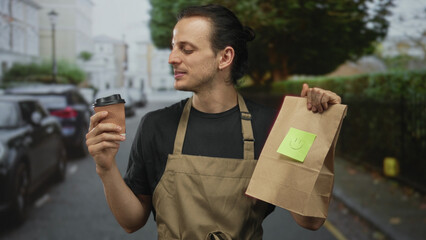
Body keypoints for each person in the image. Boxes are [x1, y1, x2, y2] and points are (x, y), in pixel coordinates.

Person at [86, 4, 341, 239]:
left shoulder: (269, 127)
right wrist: (106, 168)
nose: (172, 58)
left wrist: (315, 124)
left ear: (225, 57)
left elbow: (309, 220)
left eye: (186, 49)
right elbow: (132, 221)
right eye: (173, 47)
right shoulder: (155, 125)